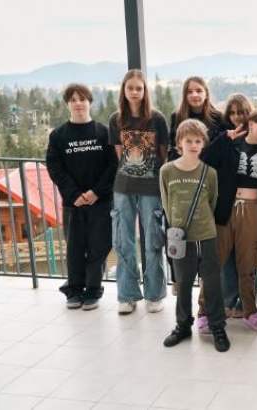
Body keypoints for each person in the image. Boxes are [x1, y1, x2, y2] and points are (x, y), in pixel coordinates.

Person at [200, 108, 257, 332]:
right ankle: (205, 312)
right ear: (250, 124)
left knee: (249, 262)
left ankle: (249, 311)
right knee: (215, 261)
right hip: (225, 208)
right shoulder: (231, 143)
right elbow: (205, 159)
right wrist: (223, 140)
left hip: (253, 210)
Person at [160, 119, 230, 352]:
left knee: (212, 282)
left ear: (203, 144)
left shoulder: (210, 173)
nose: (193, 145)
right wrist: (176, 226)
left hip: (206, 235)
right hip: (180, 237)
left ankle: (217, 326)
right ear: (179, 142)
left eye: (198, 141)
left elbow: (212, 201)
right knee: (183, 282)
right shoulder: (167, 171)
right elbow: (166, 202)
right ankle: (182, 325)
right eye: (188, 140)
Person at [46, 83, 118, 310]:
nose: (78, 103)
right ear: (67, 104)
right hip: (73, 203)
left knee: (99, 248)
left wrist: (96, 192)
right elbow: (55, 168)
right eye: (73, 100)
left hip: (101, 202)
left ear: (90, 102)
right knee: (75, 248)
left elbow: (113, 166)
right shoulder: (58, 135)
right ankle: (75, 291)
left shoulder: (103, 132)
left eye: (82, 99)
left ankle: (93, 291)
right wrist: (74, 194)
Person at [109, 69, 169, 315]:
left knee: (153, 238)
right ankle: (127, 295)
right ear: (124, 90)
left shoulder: (157, 119)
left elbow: (163, 154)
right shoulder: (116, 120)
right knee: (123, 239)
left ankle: (155, 294)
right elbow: (120, 155)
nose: (134, 92)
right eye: (130, 87)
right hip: (123, 187)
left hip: (151, 187)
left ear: (145, 91)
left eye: (139, 88)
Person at [167, 76, 230, 161]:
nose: (194, 95)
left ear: (206, 94)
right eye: (189, 92)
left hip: (211, 165)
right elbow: (173, 148)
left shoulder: (218, 117)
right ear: (185, 95)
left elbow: (223, 148)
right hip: (184, 165)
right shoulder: (177, 116)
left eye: (199, 91)